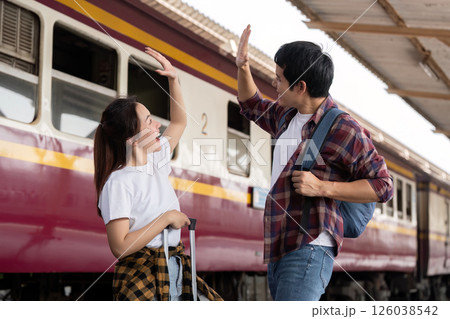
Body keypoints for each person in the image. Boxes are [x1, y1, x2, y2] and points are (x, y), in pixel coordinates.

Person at [236, 25, 393, 301]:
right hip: (280, 247)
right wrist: (242, 66)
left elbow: (383, 186)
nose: (274, 84)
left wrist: (323, 188)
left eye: (279, 79)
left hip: (310, 248)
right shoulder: (287, 116)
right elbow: (251, 105)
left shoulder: (343, 128)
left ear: (301, 86)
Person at [94, 47, 222, 301]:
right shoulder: (118, 183)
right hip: (143, 273)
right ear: (132, 139)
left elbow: (179, 122)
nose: (158, 125)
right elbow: (119, 246)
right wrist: (166, 219)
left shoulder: (157, 160)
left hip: (172, 266)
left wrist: (173, 80)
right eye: (149, 121)